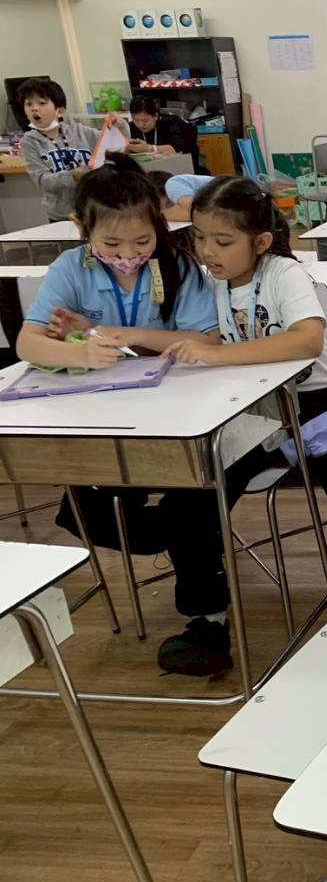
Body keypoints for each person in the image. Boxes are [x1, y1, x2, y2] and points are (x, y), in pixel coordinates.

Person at [161, 177, 327, 649]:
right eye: (199, 237)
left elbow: (307, 340)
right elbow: (208, 337)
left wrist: (217, 355)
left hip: (319, 407)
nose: (207, 251)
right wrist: (130, 338)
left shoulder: (284, 274)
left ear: (261, 242)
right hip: (252, 413)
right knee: (192, 499)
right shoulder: (212, 282)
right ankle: (206, 619)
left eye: (223, 241)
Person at [17, 157, 224, 668]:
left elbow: (206, 339)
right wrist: (80, 351)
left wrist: (120, 335)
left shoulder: (177, 267)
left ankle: (205, 615)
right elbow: (28, 342)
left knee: (190, 499)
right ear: (81, 228)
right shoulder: (70, 269)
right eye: (111, 244)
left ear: (159, 225)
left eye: (141, 242)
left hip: (177, 415)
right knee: (82, 508)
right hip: (100, 417)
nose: (128, 255)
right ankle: (172, 539)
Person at [18, 78, 130, 222]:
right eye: (28, 104)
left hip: (95, 209)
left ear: (60, 111)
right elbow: (42, 180)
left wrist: (120, 125)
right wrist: (73, 176)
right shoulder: (29, 142)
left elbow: (117, 146)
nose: (34, 108)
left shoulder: (80, 131)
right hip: (62, 216)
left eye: (42, 103)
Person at [126, 96, 195, 159]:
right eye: (136, 120)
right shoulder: (130, 127)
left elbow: (177, 149)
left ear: (155, 116)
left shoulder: (170, 123)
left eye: (145, 120)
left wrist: (149, 148)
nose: (141, 124)